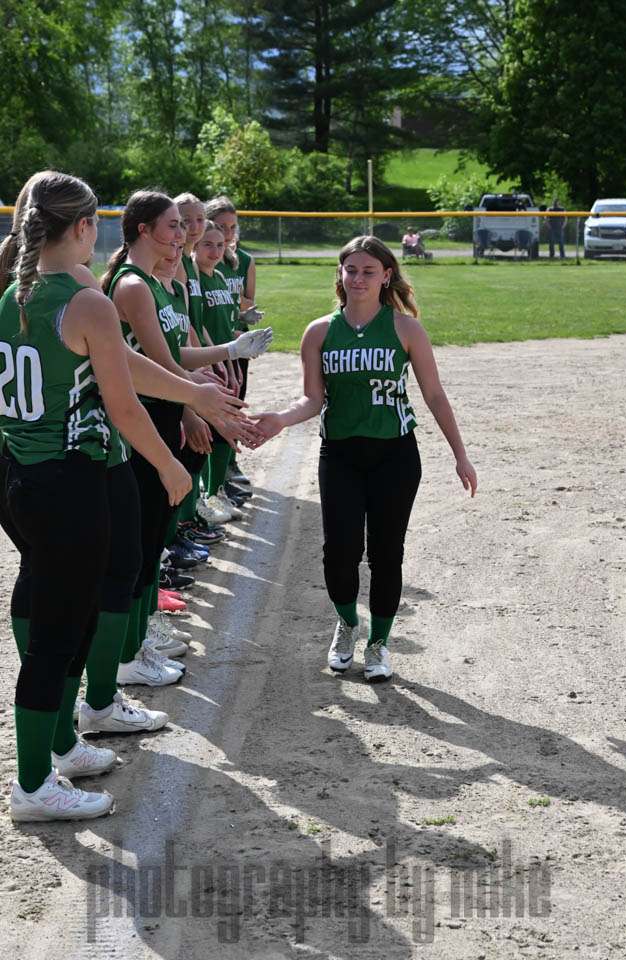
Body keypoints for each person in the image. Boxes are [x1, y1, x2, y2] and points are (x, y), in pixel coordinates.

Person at [0, 172, 194, 820]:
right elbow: (125, 406)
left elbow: (109, 366)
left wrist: (189, 393)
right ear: (83, 227)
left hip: (18, 472)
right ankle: (33, 785)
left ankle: (60, 744)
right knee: (61, 637)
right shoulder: (84, 300)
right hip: (67, 481)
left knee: (52, 606)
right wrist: (168, 465)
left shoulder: (16, 291)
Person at [252, 236, 477, 682]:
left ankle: (378, 644)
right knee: (339, 553)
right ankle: (347, 625)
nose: (358, 278)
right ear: (340, 274)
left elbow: (434, 394)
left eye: (368, 271)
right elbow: (312, 399)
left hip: (395, 454)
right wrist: (280, 418)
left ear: (386, 276)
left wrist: (460, 454)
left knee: (387, 555)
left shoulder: (405, 329)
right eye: (350, 270)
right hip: (340, 454)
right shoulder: (320, 331)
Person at [102, 191, 272, 686]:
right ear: (142, 229)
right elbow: (162, 367)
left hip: (162, 412)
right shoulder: (133, 285)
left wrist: (229, 349)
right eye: (174, 225)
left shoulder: (157, 283)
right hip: (144, 420)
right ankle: (129, 653)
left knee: (152, 538)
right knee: (140, 544)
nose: (184, 234)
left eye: (184, 225)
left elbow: (175, 355)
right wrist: (199, 406)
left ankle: (139, 640)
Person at [204, 195, 264, 487]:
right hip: (212, 342)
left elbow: (248, 300)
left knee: (236, 400)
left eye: (232, 227)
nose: (228, 233)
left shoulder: (244, 261)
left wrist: (243, 311)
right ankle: (214, 475)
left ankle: (229, 462)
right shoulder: (203, 260)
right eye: (221, 226)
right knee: (213, 406)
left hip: (237, 340)